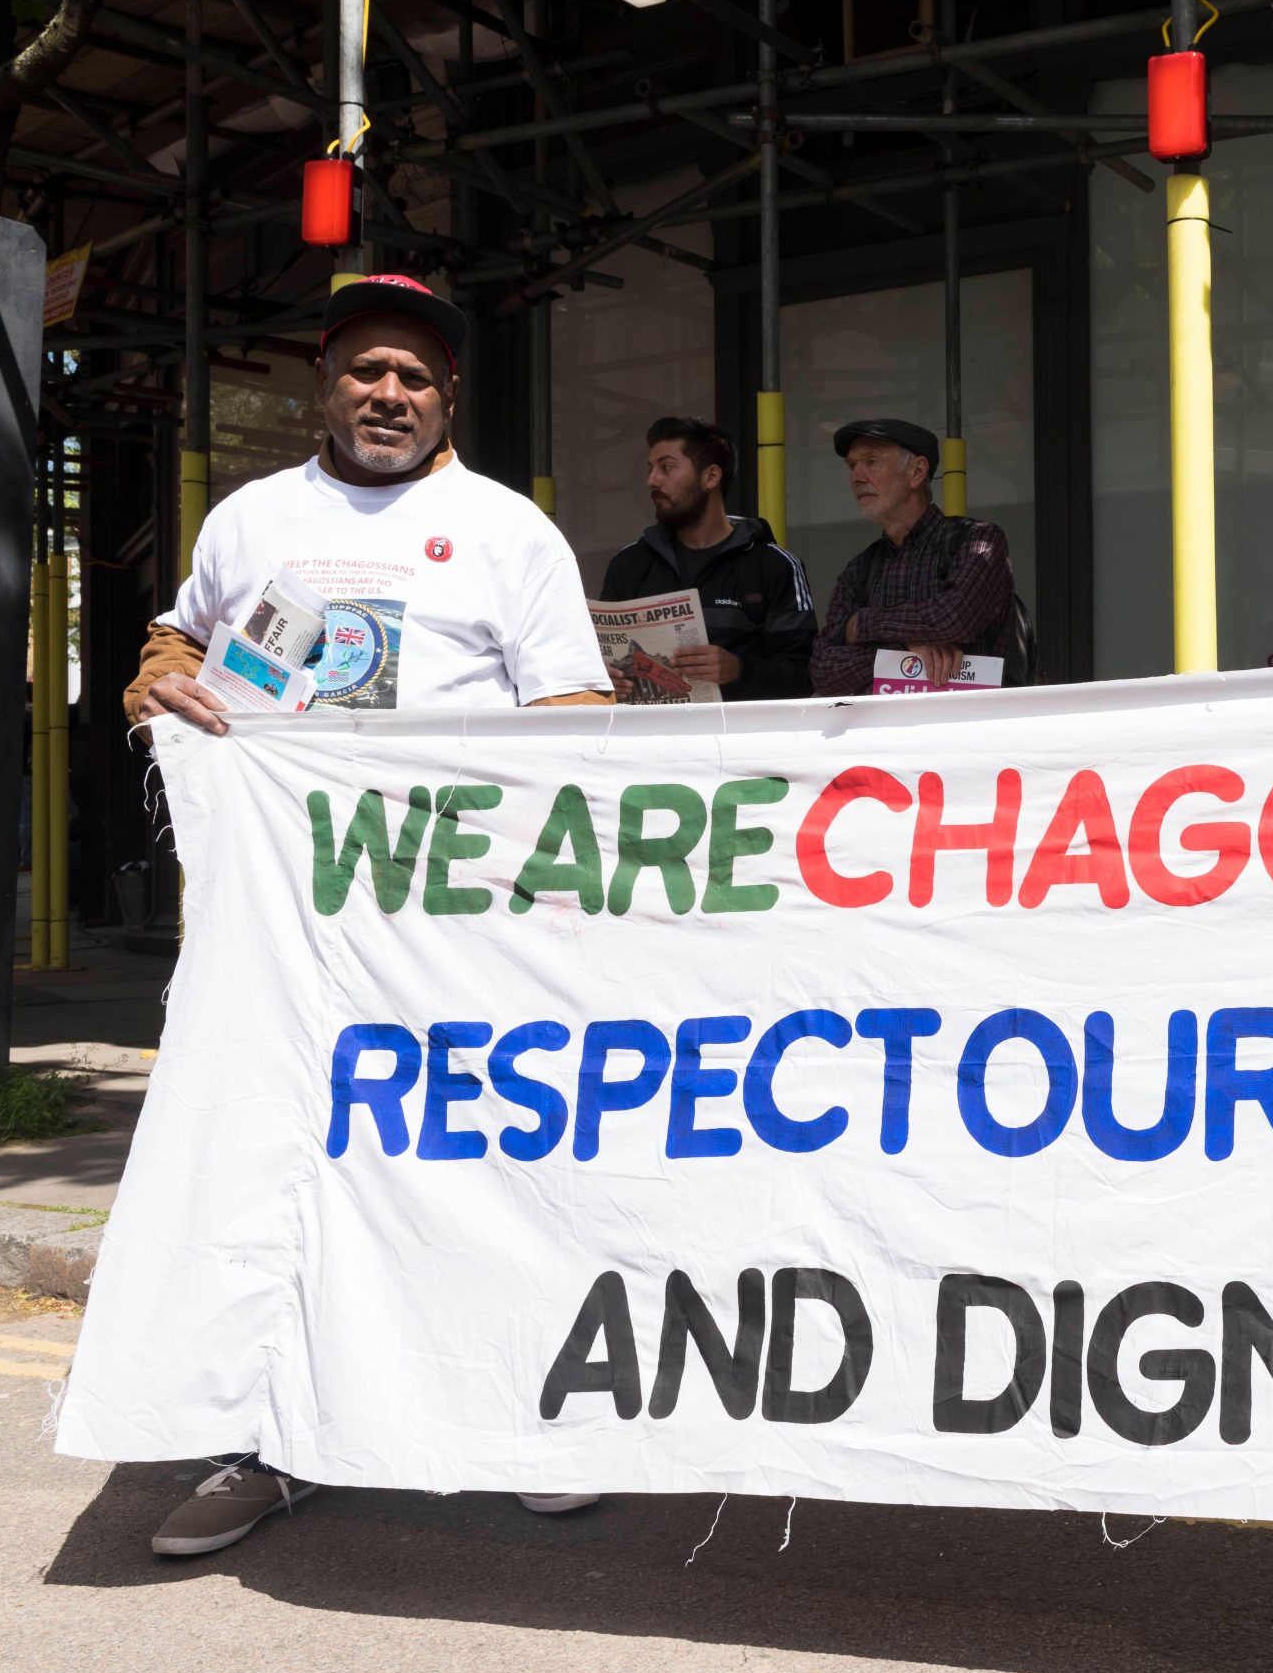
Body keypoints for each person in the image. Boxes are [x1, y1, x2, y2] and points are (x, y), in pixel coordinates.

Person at [122, 272, 613, 1555]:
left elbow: (577, 721)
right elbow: (176, 643)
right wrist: (159, 684)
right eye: (364, 370)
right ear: (323, 385)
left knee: (478, 1167)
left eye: (414, 375)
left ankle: (521, 1420)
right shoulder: (249, 519)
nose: (388, 393)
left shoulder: (509, 531)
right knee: (270, 1177)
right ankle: (266, 1445)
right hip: (278, 931)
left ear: (448, 394)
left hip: (454, 931)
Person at [597, 416, 815, 700]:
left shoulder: (773, 564)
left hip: (741, 741)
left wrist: (739, 670)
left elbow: (807, 676)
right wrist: (604, 681)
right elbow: (592, 663)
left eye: (667, 467)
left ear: (711, 477)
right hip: (648, 740)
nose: (651, 480)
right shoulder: (629, 563)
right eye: (650, 469)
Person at [806, 418, 1022, 695]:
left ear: (917, 471)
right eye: (852, 465)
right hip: (883, 736)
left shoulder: (978, 540)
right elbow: (823, 671)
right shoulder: (859, 570)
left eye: (871, 461)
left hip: (972, 732)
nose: (856, 477)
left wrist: (862, 624)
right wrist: (906, 649)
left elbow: (954, 619)